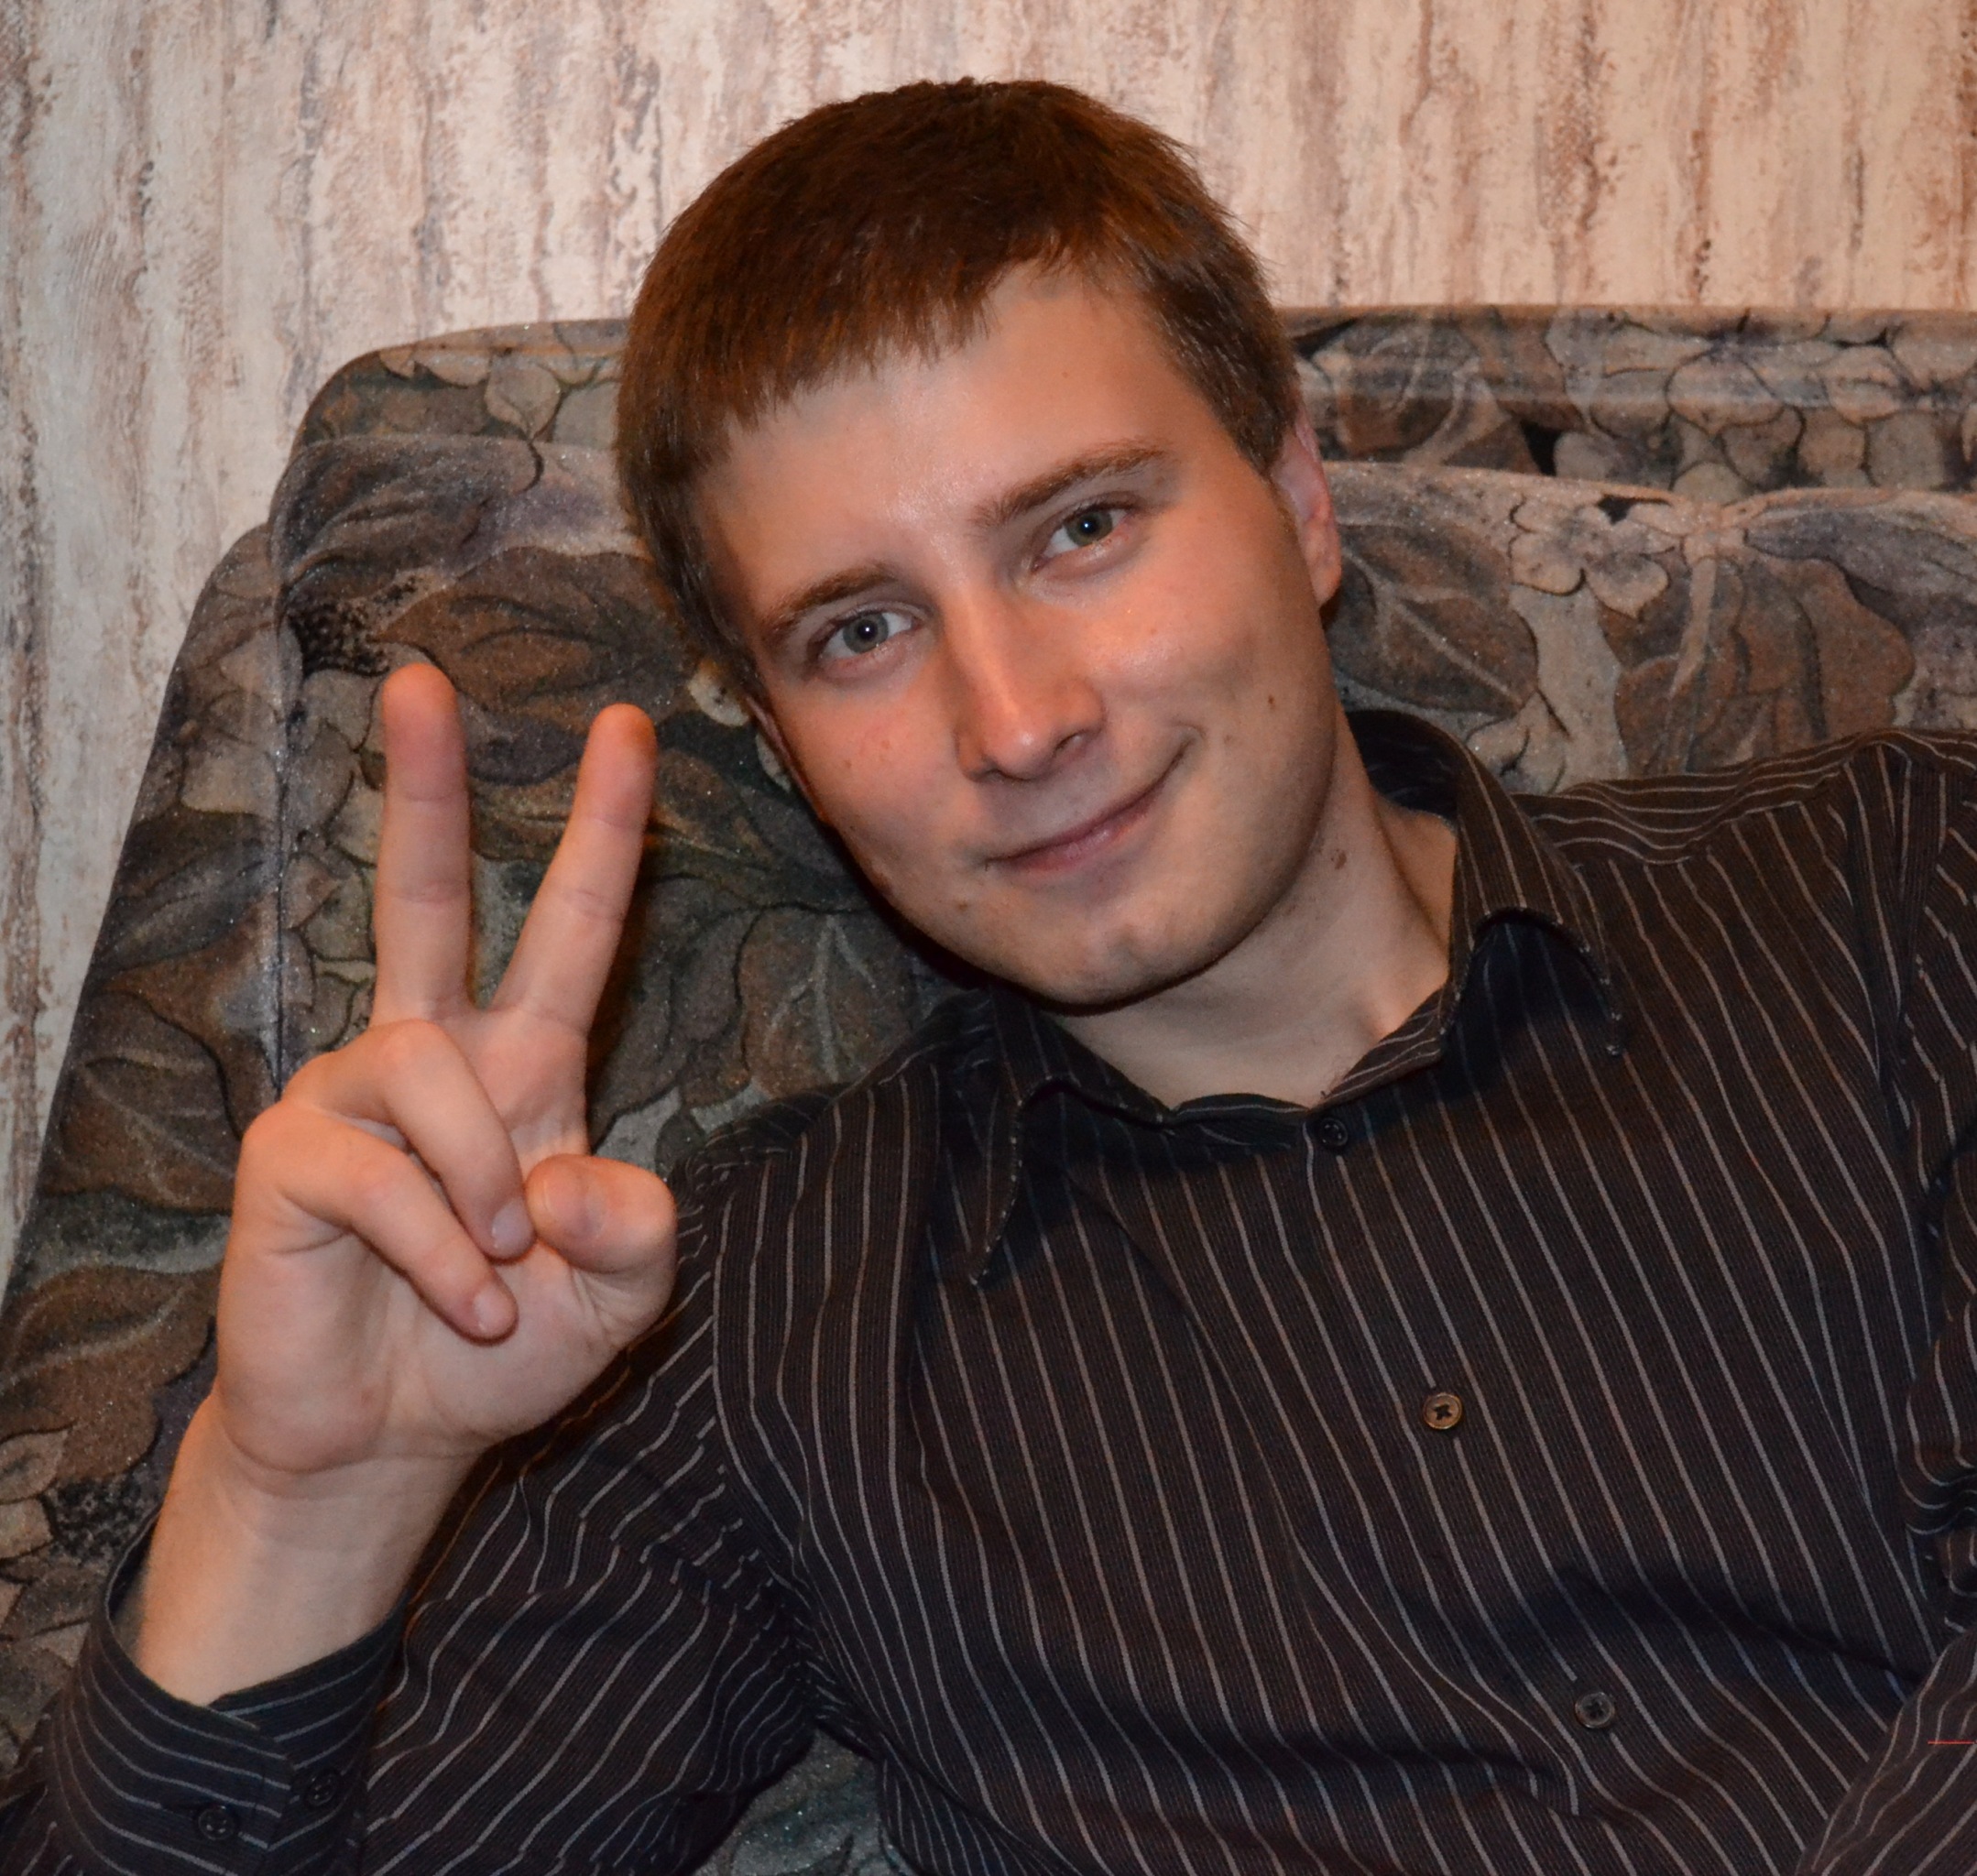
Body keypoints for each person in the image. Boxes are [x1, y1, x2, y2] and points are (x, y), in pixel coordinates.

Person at [4, 76, 1977, 1876]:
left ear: (1297, 502)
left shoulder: (1903, 885)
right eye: (860, 632)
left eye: (1081, 529)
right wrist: (296, 1506)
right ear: (777, 741)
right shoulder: (753, 1326)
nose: (1016, 721)